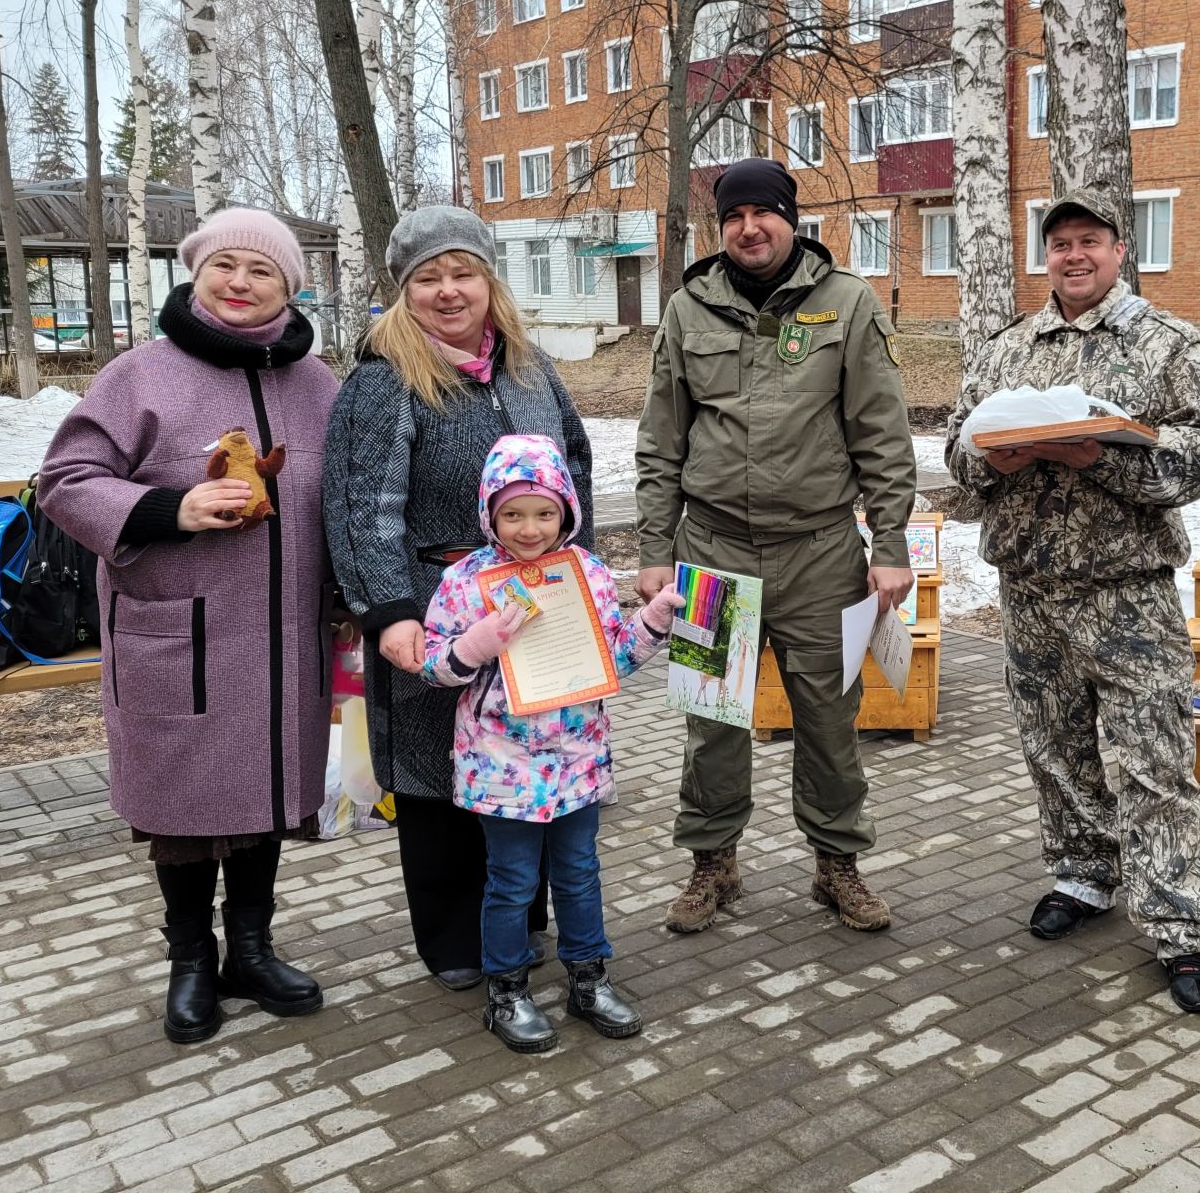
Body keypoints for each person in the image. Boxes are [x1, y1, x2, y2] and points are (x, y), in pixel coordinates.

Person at [39, 208, 341, 1044]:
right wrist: (168, 508)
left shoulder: (318, 385)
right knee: (183, 804)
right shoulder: (139, 375)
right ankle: (191, 960)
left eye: (263, 271)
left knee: (267, 790)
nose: (241, 283)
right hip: (179, 634)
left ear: (291, 287)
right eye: (226, 266)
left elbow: (347, 496)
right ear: (197, 272)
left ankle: (251, 948)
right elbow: (65, 480)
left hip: (285, 637)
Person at [943, 191, 1200, 1013]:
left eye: (1090, 241)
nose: (1075, 255)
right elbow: (960, 447)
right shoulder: (1006, 350)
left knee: (1155, 761)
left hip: (1127, 591)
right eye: (1061, 243)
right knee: (1056, 746)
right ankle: (1083, 874)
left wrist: (1094, 456)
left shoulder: (1165, 344)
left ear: (1118, 249)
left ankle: (1181, 930)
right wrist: (989, 464)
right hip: (1029, 588)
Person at [636, 158, 916, 934]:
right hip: (712, 550)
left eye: (763, 213)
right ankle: (711, 865)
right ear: (718, 228)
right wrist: (655, 548)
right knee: (711, 724)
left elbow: (883, 439)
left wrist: (889, 542)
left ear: (792, 219)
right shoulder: (689, 309)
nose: (748, 228)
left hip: (820, 553)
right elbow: (661, 442)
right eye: (733, 217)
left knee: (829, 721)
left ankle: (838, 865)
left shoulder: (847, 304)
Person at [324, 206, 593, 992]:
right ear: (404, 291)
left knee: (526, 761)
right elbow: (360, 503)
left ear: (488, 280)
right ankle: (456, 943)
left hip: (532, 607)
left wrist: (580, 581)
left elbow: (570, 468)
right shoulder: (386, 380)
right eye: (428, 278)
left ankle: (521, 922)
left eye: (462, 272)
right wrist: (388, 611)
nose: (448, 291)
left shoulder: (530, 369)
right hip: (433, 609)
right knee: (439, 775)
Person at [422, 434, 683, 1052]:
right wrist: (472, 646)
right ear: (489, 513)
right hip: (501, 764)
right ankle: (506, 991)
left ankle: (588, 978)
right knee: (511, 881)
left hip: (576, 758)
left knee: (579, 873)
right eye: (512, 513)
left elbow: (613, 659)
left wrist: (651, 623)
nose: (530, 528)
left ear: (567, 509)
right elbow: (434, 666)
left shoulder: (584, 573)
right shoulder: (466, 581)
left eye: (544, 513)